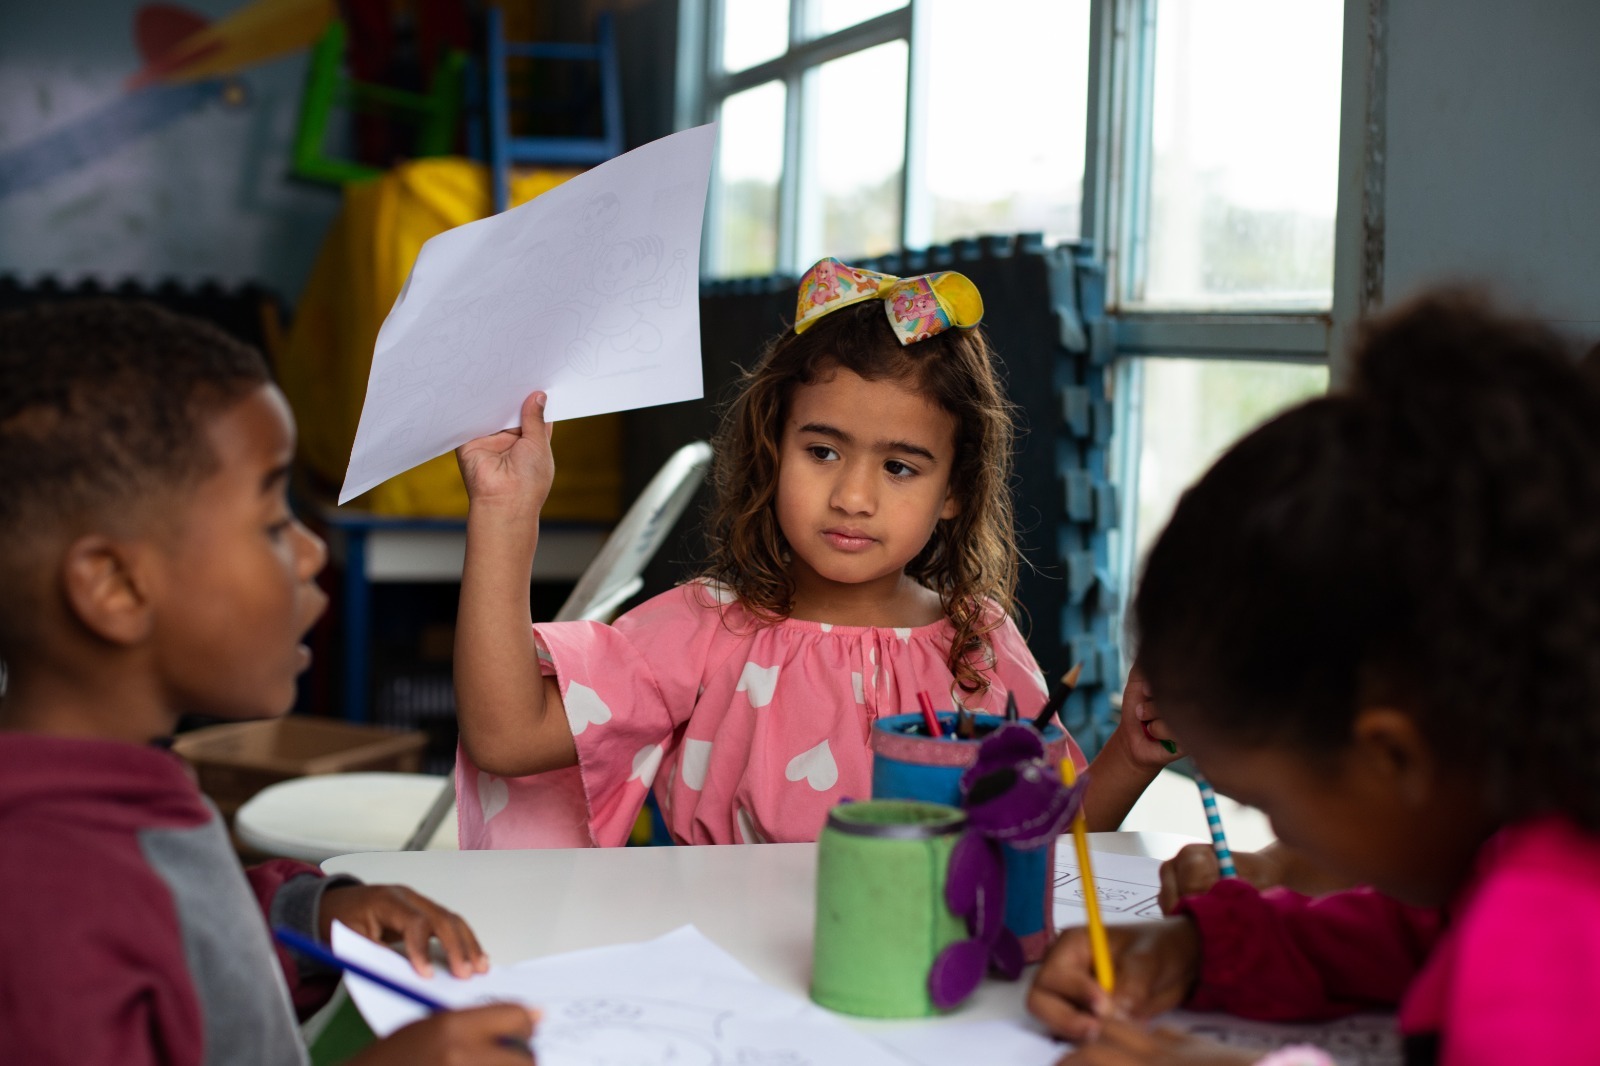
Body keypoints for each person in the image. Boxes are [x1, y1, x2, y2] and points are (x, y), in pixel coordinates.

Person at [1027, 290, 1600, 1066]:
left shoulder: (1547, 927)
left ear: (1393, 757)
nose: (1285, 838)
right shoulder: (1520, 844)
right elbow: (1410, 938)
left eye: (1272, 805)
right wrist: (1199, 950)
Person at [453, 257, 1180, 848]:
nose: (853, 497)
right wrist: (503, 510)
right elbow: (508, 737)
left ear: (954, 489)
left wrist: (1131, 752)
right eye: (824, 451)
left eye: (899, 466)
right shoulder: (704, 633)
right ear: (774, 450)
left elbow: (1049, 840)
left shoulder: (976, 643)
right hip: (724, 982)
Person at [0, 301, 537, 1065]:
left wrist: (309, 917)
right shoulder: (43, 914)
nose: (312, 551)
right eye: (270, 519)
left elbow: (183, 934)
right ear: (115, 586)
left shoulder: (121, 790)